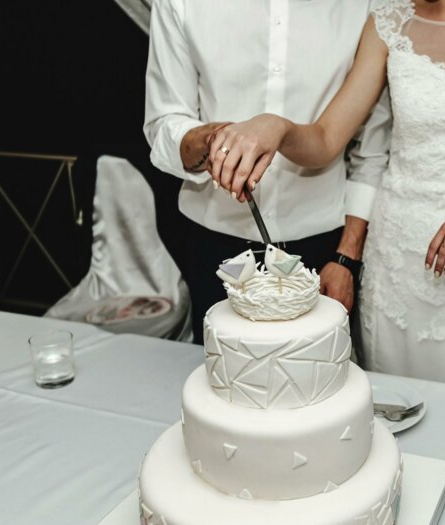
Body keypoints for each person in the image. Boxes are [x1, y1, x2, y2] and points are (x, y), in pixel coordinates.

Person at [206, 0, 445, 394]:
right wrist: (277, 128)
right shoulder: (389, 21)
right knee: (394, 409)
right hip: (398, 264)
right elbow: (325, 140)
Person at [144, 0, 392, 344]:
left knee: (317, 374)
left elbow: (372, 151)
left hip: (325, 250)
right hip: (216, 245)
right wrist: (215, 140)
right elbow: (163, 122)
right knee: (223, 375)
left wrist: (347, 258)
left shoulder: (366, 7)